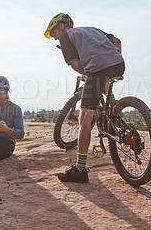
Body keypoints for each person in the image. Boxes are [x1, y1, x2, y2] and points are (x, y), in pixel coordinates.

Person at [45, 13, 125, 183]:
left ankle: (80, 170)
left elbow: (75, 65)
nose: (54, 38)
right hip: (119, 64)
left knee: (85, 117)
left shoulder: (66, 37)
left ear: (60, 26)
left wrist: (89, 74)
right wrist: (115, 59)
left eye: (53, 33)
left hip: (99, 68)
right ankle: (113, 108)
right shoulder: (92, 29)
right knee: (102, 81)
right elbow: (116, 41)